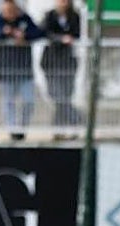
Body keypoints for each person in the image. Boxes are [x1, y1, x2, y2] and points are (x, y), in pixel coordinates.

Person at [0, 0, 46, 142]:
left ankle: (22, 127)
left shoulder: (24, 19)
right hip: (6, 70)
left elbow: (38, 32)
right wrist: (4, 32)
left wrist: (24, 36)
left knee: (28, 101)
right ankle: (12, 129)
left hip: (25, 69)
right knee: (9, 102)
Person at [41, 0, 83, 139]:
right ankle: (77, 119)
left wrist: (69, 38)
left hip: (68, 62)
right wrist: (61, 39)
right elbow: (45, 32)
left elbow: (77, 34)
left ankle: (59, 129)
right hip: (51, 62)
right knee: (57, 96)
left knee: (66, 96)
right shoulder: (49, 16)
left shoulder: (74, 16)